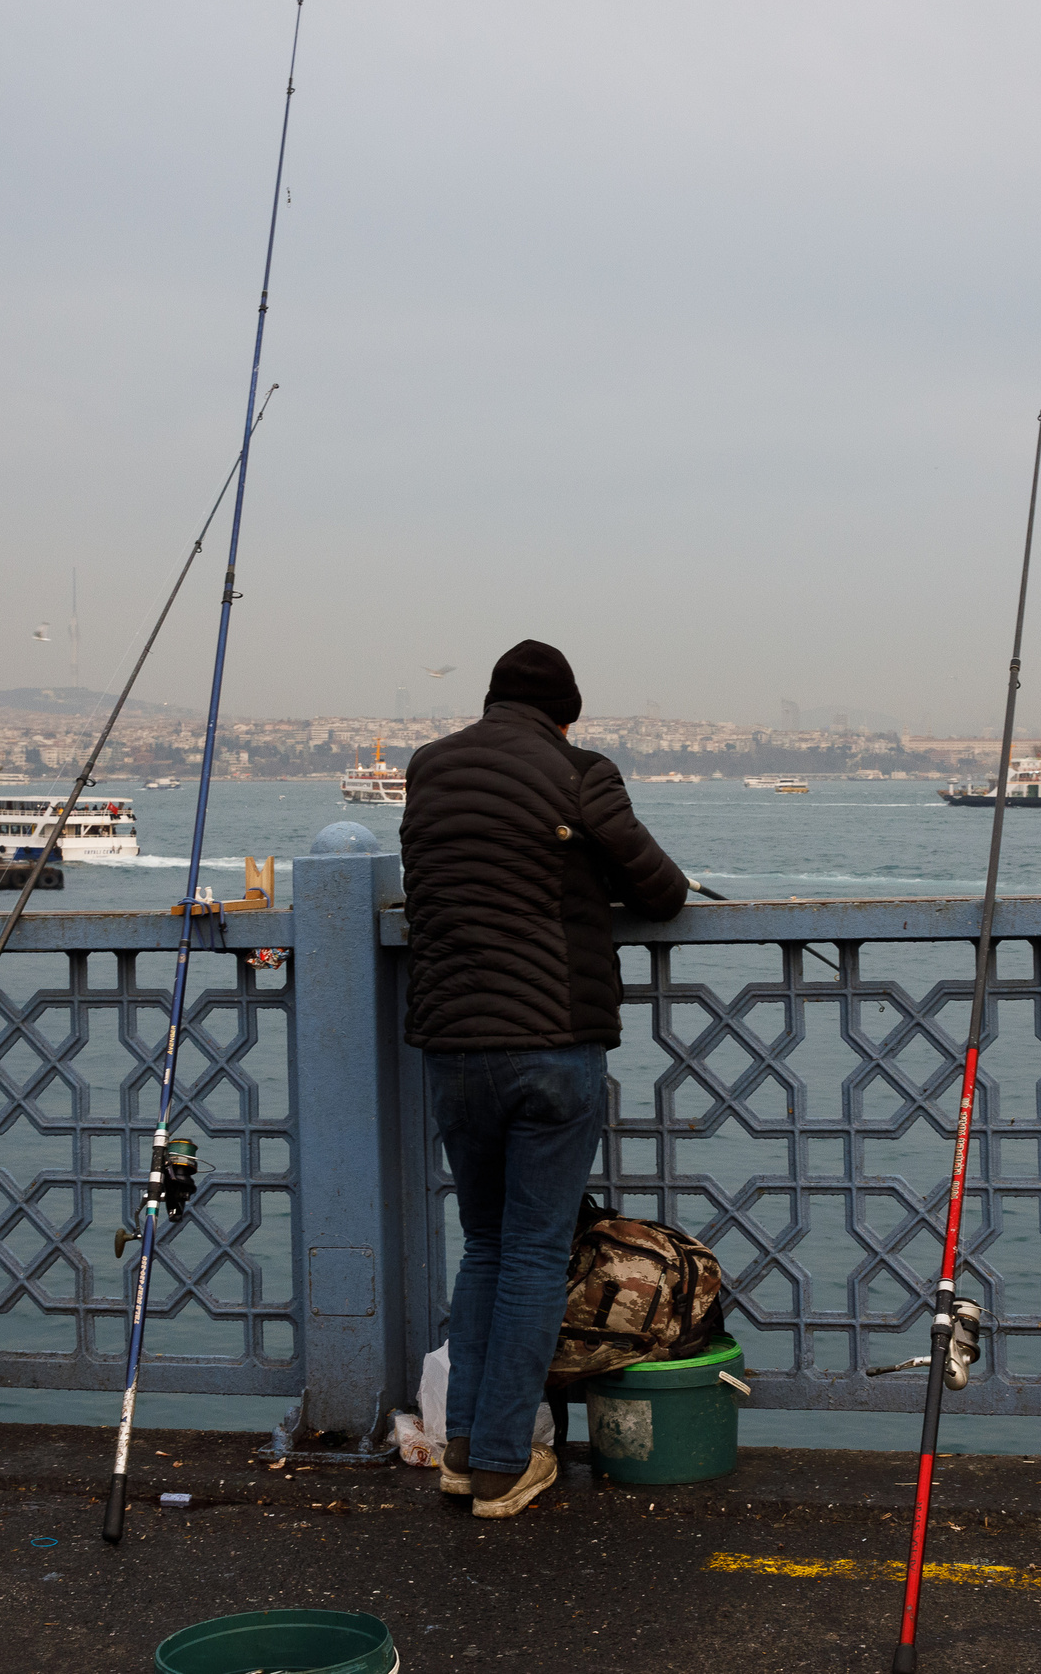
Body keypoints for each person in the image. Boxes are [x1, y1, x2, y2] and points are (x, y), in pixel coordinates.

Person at [400, 639, 687, 1517]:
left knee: (484, 1246)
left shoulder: (428, 769)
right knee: (531, 1252)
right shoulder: (580, 771)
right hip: (551, 1041)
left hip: (451, 1047)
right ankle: (500, 1463)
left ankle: (460, 1453)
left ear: (489, 703)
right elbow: (660, 890)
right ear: (566, 713)